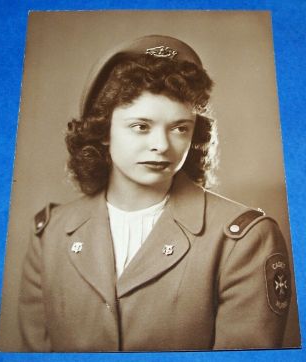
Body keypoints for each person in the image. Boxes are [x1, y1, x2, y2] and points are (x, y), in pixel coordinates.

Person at [18, 35, 291, 352]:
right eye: (141, 126)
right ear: (103, 130)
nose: (162, 145)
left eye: (180, 128)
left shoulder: (245, 240)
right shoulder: (50, 234)